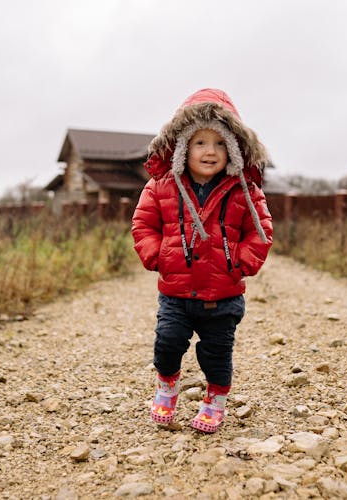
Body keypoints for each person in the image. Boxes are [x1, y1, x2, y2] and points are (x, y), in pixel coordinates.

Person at [131, 88, 273, 433]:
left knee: (216, 354)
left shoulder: (245, 191)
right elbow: (143, 224)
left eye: (220, 143)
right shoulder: (161, 187)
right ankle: (167, 386)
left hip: (223, 295)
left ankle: (215, 399)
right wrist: (157, 255)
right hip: (176, 292)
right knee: (167, 343)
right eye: (200, 143)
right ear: (182, 146)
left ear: (234, 149)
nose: (210, 151)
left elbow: (261, 231)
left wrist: (241, 263)